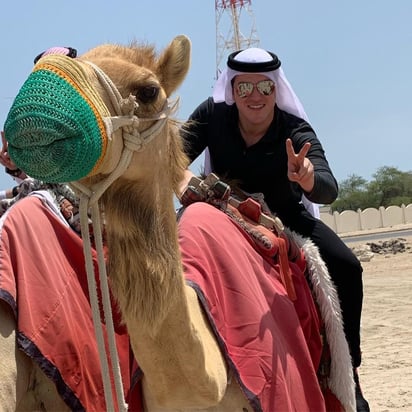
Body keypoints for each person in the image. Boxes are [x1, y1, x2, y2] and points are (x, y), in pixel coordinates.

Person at [179, 47, 369, 412]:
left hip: (283, 216)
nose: (254, 97)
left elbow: (329, 187)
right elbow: (172, 156)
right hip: (222, 212)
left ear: (276, 90)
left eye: (264, 88)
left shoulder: (294, 129)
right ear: (231, 90)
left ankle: (351, 369)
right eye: (244, 87)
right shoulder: (211, 116)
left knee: (347, 266)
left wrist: (309, 179)